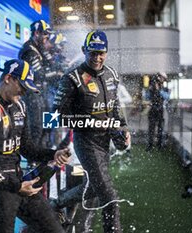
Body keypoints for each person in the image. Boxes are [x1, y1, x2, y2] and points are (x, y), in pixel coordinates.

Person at [0, 59, 71, 233]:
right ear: (8, 78)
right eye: (23, 86)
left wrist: (53, 154)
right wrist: (16, 186)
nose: (24, 92)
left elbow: (27, 149)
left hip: (21, 184)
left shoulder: (20, 106)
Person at [52, 30, 131, 233]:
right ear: (84, 51)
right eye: (92, 52)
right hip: (86, 143)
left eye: (101, 53)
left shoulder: (112, 74)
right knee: (110, 197)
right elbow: (55, 116)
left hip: (105, 143)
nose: (97, 57)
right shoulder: (72, 79)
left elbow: (113, 108)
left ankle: (56, 203)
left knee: (94, 188)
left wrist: (122, 128)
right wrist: (88, 122)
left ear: (107, 52)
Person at [18, 20, 54, 147]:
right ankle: (33, 160)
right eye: (45, 34)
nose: (47, 38)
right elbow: (39, 74)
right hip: (31, 94)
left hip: (41, 92)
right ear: (37, 33)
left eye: (48, 35)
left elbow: (50, 66)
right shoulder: (30, 50)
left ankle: (47, 148)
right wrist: (57, 74)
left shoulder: (39, 48)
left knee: (49, 121)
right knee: (36, 126)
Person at [145, 72, 169, 151]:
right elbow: (147, 97)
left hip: (161, 110)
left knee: (160, 129)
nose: (160, 79)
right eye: (160, 77)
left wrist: (159, 90)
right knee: (151, 128)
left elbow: (167, 97)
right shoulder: (152, 87)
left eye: (162, 78)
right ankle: (150, 145)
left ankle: (159, 145)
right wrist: (150, 89)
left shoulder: (165, 88)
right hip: (153, 109)